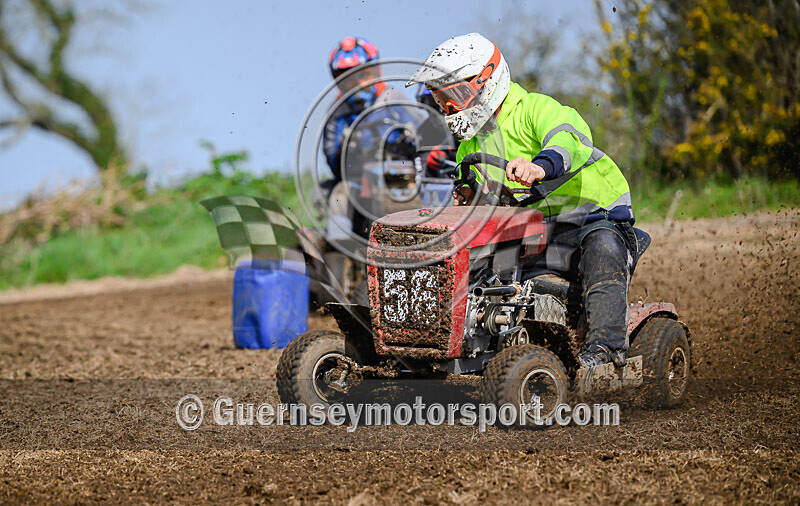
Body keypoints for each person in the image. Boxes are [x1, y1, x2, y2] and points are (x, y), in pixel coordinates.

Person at [409, 32, 639, 369]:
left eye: (454, 94)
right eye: (440, 98)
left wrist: (539, 166)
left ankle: (606, 352)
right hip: (534, 230)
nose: (449, 107)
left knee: (603, 248)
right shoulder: (469, 145)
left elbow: (568, 139)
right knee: (478, 266)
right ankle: (461, 343)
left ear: (486, 79)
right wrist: (469, 198)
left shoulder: (535, 108)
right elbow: (476, 199)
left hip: (594, 216)